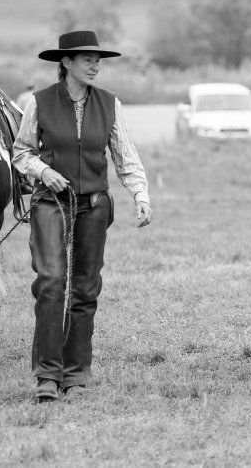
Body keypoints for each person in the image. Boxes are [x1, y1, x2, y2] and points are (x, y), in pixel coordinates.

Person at [13, 30, 153, 403]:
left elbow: (124, 154)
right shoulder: (38, 102)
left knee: (86, 288)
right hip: (50, 202)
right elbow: (21, 152)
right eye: (87, 59)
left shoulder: (110, 103)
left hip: (94, 204)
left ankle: (76, 372)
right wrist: (43, 171)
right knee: (51, 281)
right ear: (66, 62)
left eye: (98, 60)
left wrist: (139, 193)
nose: (95, 65)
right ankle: (47, 375)